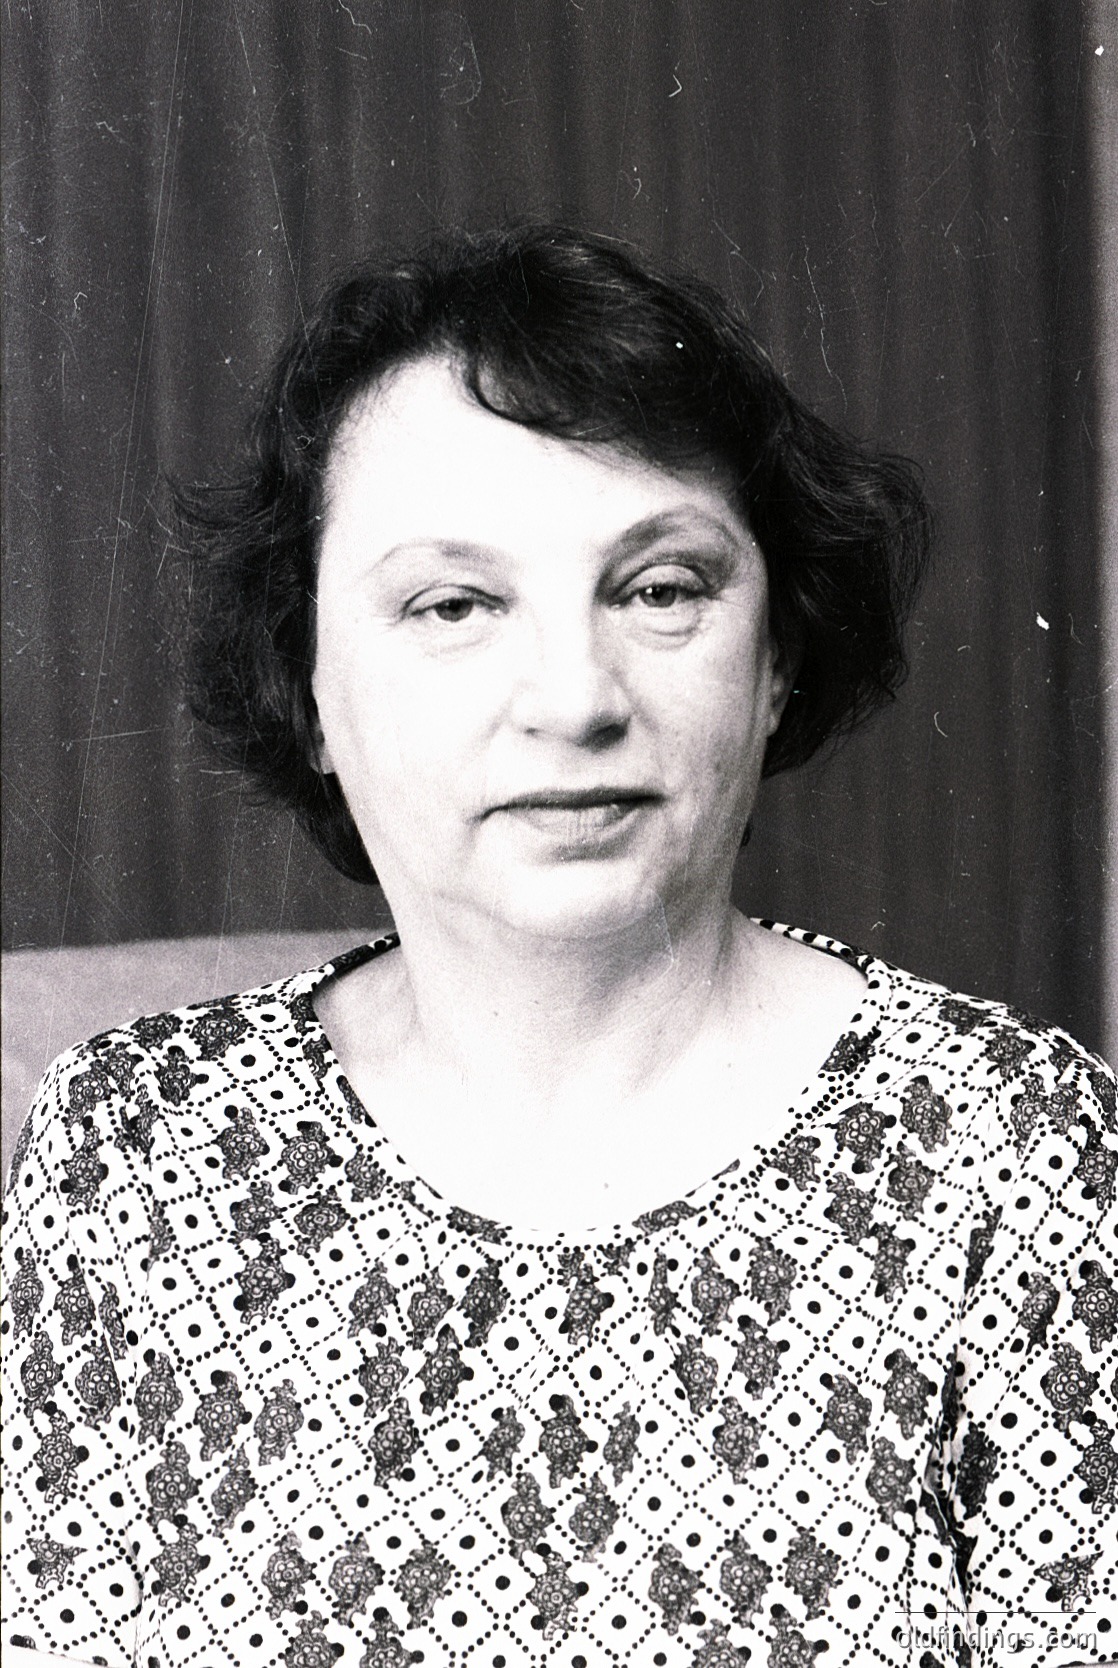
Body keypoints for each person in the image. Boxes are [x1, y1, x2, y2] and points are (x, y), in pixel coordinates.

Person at [2, 225, 1114, 1668]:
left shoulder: (1019, 1156)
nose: (572, 698)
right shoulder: (128, 1151)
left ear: (773, 659)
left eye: (658, 589)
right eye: (453, 605)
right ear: (312, 687)